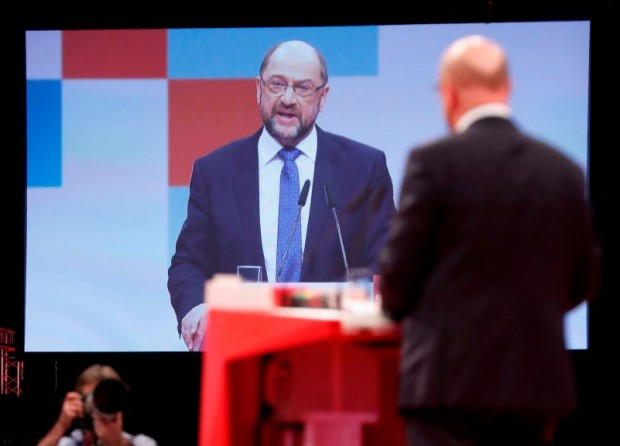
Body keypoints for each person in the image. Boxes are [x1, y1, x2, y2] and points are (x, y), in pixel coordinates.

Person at [378, 35, 601, 446]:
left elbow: (398, 279)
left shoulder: (433, 162)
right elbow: (584, 279)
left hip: (448, 387)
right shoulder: (563, 169)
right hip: (536, 389)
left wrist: (395, 307)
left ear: (449, 94)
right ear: (507, 88)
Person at [168, 39, 396, 351]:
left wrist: (376, 308)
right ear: (258, 89)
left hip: (335, 352)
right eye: (277, 84)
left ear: (323, 97)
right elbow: (188, 263)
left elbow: (387, 260)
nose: (288, 99)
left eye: (303, 88)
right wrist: (195, 308)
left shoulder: (363, 168)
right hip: (240, 350)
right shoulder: (215, 171)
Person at [36, 364, 157, 446]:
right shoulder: (69, 443)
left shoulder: (142, 443)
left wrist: (118, 443)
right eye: (90, 397)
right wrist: (62, 425)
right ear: (80, 401)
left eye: (104, 398)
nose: (97, 404)